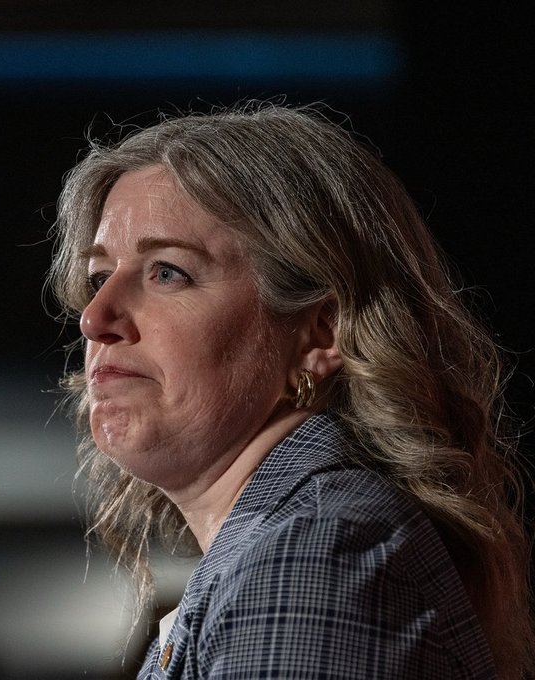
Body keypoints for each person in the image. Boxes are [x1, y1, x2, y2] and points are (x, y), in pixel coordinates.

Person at [46, 102, 533, 679]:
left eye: (167, 272)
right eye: (99, 277)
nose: (94, 316)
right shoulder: (284, 545)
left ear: (319, 332)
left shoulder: (314, 552)